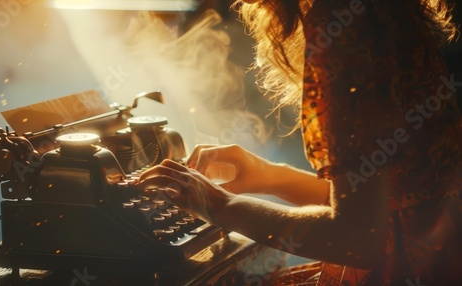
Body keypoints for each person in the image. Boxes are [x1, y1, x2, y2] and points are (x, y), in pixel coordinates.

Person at [136, 0, 462, 284]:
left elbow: (357, 238)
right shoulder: (373, 12)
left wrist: (222, 205)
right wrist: (272, 176)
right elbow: (382, 206)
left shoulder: (344, 24)